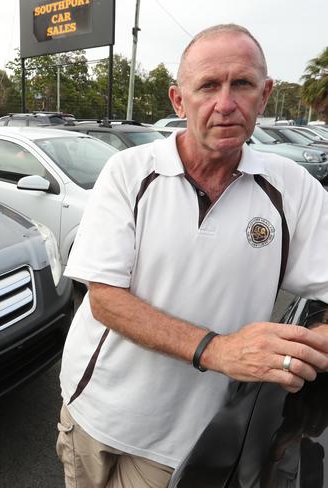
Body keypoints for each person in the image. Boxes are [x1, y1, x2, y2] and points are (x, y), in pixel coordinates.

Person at [56, 24, 328, 488]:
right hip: (91, 410)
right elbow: (103, 298)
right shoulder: (129, 172)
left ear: (265, 96)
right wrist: (218, 349)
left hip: (185, 440)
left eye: (242, 84)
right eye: (208, 86)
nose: (226, 104)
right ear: (179, 100)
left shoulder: (294, 188)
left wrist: (314, 345)